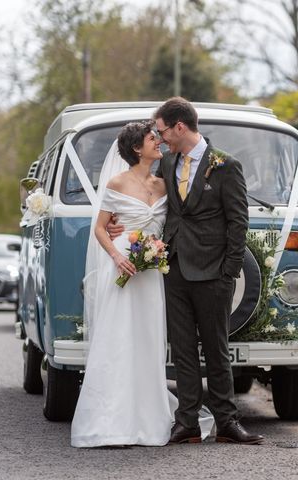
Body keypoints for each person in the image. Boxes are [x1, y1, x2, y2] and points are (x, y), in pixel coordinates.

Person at [109, 98, 263, 445]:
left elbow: (239, 223)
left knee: (216, 347)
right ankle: (188, 421)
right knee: (181, 349)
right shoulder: (166, 163)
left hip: (214, 273)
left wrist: (230, 272)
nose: (159, 139)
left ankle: (227, 421)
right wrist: (117, 222)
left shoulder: (226, 166)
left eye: (162, 131)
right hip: (173, 268)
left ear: (180, 127)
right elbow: (143, 198)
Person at [71, 121, 214, 447]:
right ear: (138, 148)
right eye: (153, 139)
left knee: (148, 341)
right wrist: (116, 256)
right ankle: (112, 422)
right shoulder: (117, 183)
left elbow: (173, 222)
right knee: (118, 338)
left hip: (151, 271)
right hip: (122, 266)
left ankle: (147, 417)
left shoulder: (164, 185)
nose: (159, 143)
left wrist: (159, 248)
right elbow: (101, 228)